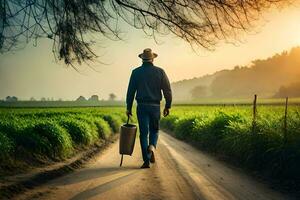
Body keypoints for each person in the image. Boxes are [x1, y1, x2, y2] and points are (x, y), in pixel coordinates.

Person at [126, 48, 172, 169]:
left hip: (141, 106)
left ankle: (146, 160)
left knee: (143, 134)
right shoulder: (160, 72)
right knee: (154, 130)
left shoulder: (135, 72)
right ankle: (151, 146)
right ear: (152, 59)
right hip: (155, 106)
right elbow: (167, 90)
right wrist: (168, 106)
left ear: (142, 59)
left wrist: (128, 108)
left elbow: (130, 91)